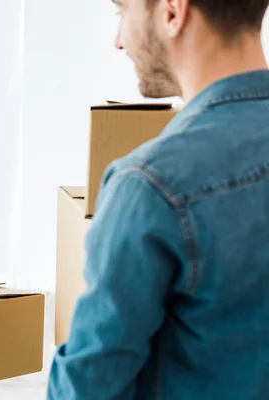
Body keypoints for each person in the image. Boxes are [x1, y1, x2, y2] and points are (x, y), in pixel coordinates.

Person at [48, 1, 269, 399]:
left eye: (122, 12)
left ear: (171, 12)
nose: (119, 41)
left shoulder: (152, 184)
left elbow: (88, 386)